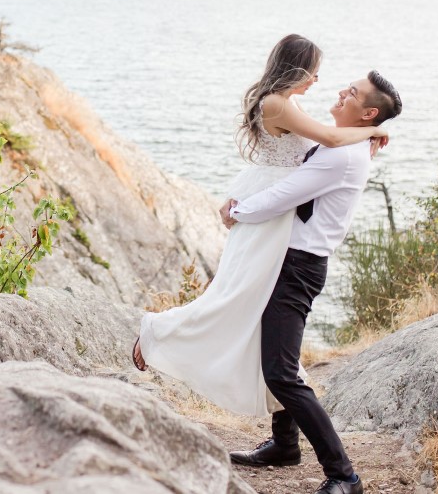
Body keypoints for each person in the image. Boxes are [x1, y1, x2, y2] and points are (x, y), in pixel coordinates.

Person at [133, 34, 388, 420]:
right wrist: (372, 131)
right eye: (314, 72)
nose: (318, 81)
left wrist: (370, 131)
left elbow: (324, 144)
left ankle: (284, 444)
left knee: (259, 323)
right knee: (235, 296)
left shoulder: (287, 102)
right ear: (296, 69)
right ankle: (159, 332)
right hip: (272, 207)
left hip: (275, 205)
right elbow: (332, 138)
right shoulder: (277, 104)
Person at [224, 70, 403, 494]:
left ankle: (344, 476)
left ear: (369, 112)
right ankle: (285, 445)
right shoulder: (343, 141)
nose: (342, 92)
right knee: (282, 356)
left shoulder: (343, 154)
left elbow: (286, 194)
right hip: (293, 258)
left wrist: (237, 211)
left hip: (298, 265)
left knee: (281, 373)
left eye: (353, 93)